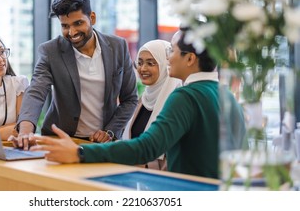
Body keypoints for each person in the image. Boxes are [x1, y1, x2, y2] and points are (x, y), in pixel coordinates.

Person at [23, 28, 246, 179]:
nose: (168, 57)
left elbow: (147, 147)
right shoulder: (227, 97)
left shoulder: (185, 96)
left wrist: (80, 153)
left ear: (190, 59)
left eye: (173, 51)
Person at [13, 0, 138, 145]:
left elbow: (130, 99)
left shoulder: (118, 47)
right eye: (65, 26)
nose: (72, 32)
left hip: (102, 144)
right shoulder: (51, 51)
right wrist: (25, 131)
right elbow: (36, 92)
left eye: (78, 23)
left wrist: (109, 131)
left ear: (92, 18)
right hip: (61, 139)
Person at [122, 39, 182, 170]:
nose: (142, 69)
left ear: (165, 65)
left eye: (150, 63)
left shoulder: (176, 102)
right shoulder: (143, 100)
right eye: (139, 62)